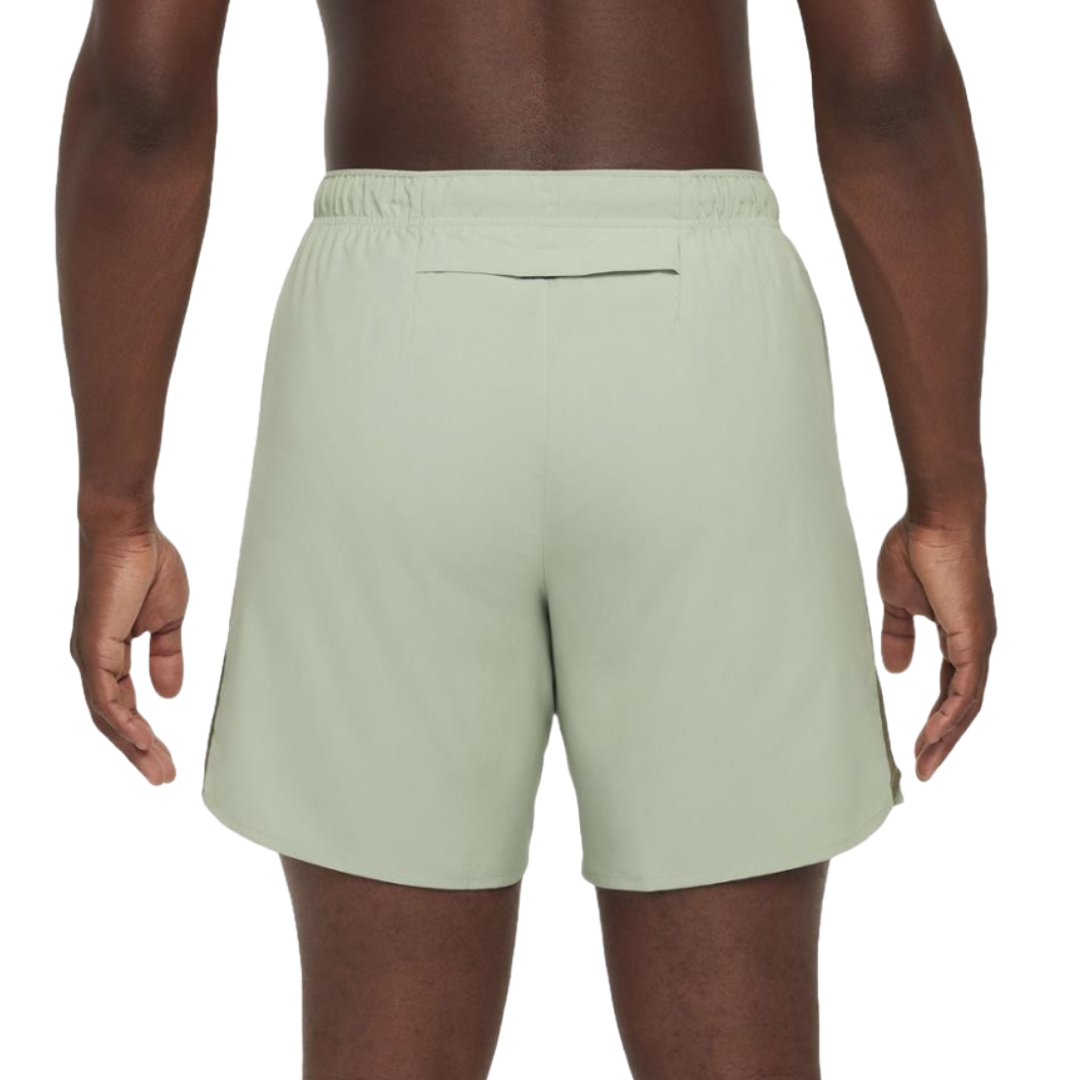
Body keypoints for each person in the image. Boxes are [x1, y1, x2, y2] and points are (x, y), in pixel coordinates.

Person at [58, 1, 996, 1077]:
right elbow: (889, 82)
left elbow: (142, 90)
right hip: (702, 357)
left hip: (392, 351)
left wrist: (115, 508)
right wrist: (947, 498)